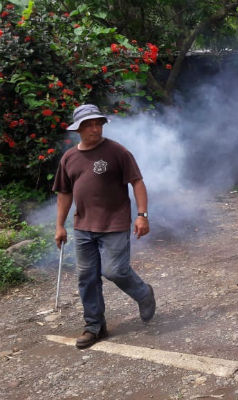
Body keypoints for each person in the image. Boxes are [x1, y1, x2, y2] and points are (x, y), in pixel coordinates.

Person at [53, 104, 156, 349]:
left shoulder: (116, 151)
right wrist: (59, 225)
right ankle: (94, 326)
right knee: (87, 277)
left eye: (98, 123)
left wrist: (142, 215)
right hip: (83, 227)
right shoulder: (69, 157)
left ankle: (143, 293)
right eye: (89, 124)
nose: (95, 128)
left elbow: (137, 182)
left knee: (115, 271)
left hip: (115, 224)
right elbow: (64, 194)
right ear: (78, 128)